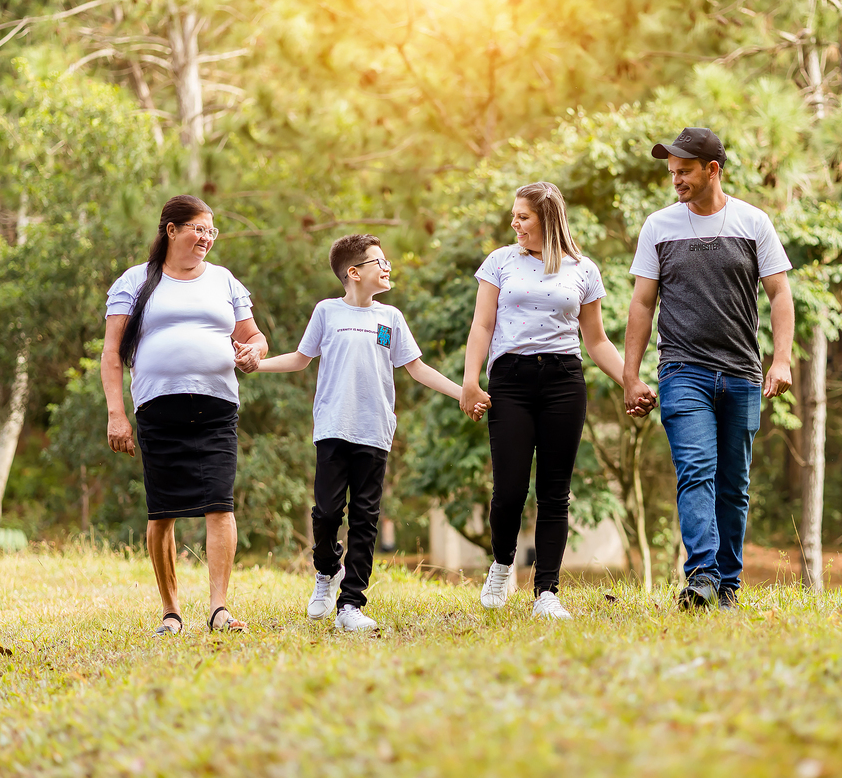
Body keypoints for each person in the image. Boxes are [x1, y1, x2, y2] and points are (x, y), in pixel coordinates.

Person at [256, 234, 485, 632]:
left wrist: (462, 392)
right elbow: (299, 359)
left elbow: (417, 368)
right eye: (379, 261)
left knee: (365, 518)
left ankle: (351, 606)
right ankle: (326, 571)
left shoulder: (390, 318)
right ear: (354, 272)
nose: (387, 267)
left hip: (375, 430)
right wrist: (255, 366)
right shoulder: (326, 312)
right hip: (332, 428)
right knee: (327, 513)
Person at [460, 181, 652, 620]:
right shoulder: (500, 262)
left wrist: (630, 380)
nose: (514, 223)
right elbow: (482, 327)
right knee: (509, 490)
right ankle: (503, 562)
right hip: (510, 378)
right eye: (515, 215)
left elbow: (597, 339)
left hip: (564, 380)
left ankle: (547, 591)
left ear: (547, 218)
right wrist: (471, 382)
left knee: (554, 492)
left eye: (523, 216)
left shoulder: (583, 268)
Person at [622, 128, 794, 611]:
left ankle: (728, 587)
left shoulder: (753, 221)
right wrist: (631, 375)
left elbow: (780, 293)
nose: (674, 180)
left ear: (711, 169)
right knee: (696, 470)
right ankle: (701, 574)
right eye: (671, 172)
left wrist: (780, 359)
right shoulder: (659, 226)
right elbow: (641, 303)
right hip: (682, 370)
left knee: (734, 484)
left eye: (683, 171)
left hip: (741, 371)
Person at [102, 194, 268, 636]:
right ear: (171, 230)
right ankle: (171, 612)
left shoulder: (224, 281)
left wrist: (254, 351)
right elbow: (112, 354)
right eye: (198, 228)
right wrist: (116, 414)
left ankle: (218, 609)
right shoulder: (136, 282)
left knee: (220, 503)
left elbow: (254, 336)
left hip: (216, 404)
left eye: (211, 231)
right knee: (162, 512)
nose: (206, 238)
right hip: (158, 405)